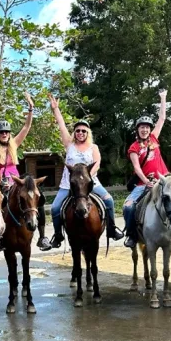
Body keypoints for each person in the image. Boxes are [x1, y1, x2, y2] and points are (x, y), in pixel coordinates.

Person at [48, 94, 123, 249]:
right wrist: (56, 110)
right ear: (74, 133)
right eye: (77, 131)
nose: (80, 133)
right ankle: (58, 235)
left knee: (109, 200)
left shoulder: (93, 147)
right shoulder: (69, 144)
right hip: (68, 185)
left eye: (83, 131)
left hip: (90, 183)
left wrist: (88, 177)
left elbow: (97, 164)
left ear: (88, 133)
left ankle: (111, 229)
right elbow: (61, 125)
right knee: (55, 208)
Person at [122, 90, 171, 249]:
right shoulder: (133, 148)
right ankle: (132, 235)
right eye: (142, 127)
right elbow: (136, 168)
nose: (145, 130)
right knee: (128, 206)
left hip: (165, 180)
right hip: (143, 184)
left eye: (147, 127)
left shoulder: (154, 138)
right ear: (137, 129)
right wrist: (146, 181)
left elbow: (162, 118)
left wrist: (163, 98)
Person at [0, 93, 51, 259]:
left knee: (38, 198)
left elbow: (26, 127)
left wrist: (30, 108)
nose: (4, 134)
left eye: (6, 132)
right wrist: (1, 184)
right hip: (3, 182)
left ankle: (42, 236)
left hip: (19, 180)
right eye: (2, 132)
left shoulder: (14, 144)